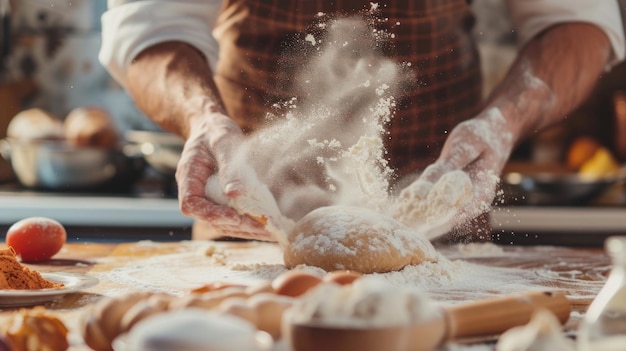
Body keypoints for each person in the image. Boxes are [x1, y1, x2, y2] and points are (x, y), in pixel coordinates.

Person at [99, 0, 624, 242]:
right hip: (248, 213)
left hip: (442, 215)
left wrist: (504, 121)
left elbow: (576, 20)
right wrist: (203, 117)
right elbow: (150, 25)